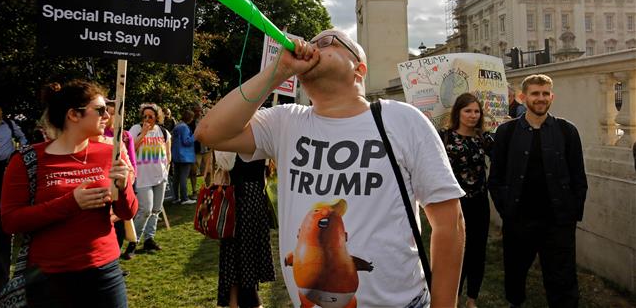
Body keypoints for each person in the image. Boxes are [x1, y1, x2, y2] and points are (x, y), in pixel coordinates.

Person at [196, 29, 466, 307]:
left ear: (359, 70)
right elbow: (210, 132)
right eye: (310, 42)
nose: (311, 47)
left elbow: (449, 222)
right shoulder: (285, 122)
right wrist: (278, 71)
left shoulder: (401, 119)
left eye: (326, 42)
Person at [0, 80, 137, 307]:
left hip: (105, 273)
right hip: (50, 277)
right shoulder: (27, 160)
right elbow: (11, 222)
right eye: (100, 110)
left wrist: (124, 189)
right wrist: (71, 202)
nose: (108, 115)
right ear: (73, 115)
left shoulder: (108, 153)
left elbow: (128, 211)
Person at [489, 74, 588, 308]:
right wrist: (507, 211)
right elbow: (496, 178)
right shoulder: (506, 132)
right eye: (535, 93)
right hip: (519, 221)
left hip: (558, 222)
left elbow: (578, 177)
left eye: (545, 94)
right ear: (523, 97)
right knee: (515, 275)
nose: (540, 98)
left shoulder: (567, 131)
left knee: (562, 281)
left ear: (552, 96)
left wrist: (571, 214)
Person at [439, 93, 494, 308]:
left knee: (477, 249)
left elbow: (503, 154)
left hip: (479, 201)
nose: (472, 115)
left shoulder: (485, 138)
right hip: (452, 203)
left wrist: (507, 129)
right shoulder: (444, 136)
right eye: (467, 111)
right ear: (458, 112)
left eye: (476, 111)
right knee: (454, 250)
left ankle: (472, 297)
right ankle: (453, 295)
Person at [217, 154, 275, 308]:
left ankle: (237, 302)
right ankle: (244, 301)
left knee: (238, 252)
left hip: (245, 198)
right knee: (242, 253)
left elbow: (225, 165)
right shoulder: (258, 138)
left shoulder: (241, 139)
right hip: (246, 198)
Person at [0, 102, 28, 298]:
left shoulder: (10, 125)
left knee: (3, 214)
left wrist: (21, 154)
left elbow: (23, 139)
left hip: (7, 167)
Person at [125, 103, 171, 259]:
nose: (147, 119)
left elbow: (168, 154)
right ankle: (133, 242)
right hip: (143, 178)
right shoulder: (135, 129)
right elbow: (130, 149)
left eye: (150, 116)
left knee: (156, 210)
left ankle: (149, 239)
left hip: (160, 177)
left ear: (157, 117)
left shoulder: (164, 132)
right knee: (145, 210)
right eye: (144, 116)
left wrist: (166, 170)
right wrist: (143, 133)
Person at [103, 99, 137, 260]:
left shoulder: (124, 135)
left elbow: (131, 161)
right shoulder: (100, 138)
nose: (108, 116)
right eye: (107, 112)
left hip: (123, 186)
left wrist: (129, 181)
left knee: (122, 225)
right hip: (107, 191)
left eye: (112, 113)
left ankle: (115, 259)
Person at [170, 110, 196, 205]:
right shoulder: (184, 127)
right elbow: (186, 141)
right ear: (189, 118)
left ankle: (175, 197)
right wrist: (194, 136)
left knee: (176, 177)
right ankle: (184, 198)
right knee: (183, 177)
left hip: (176, 155)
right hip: (185, 156)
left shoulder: (177, 126)